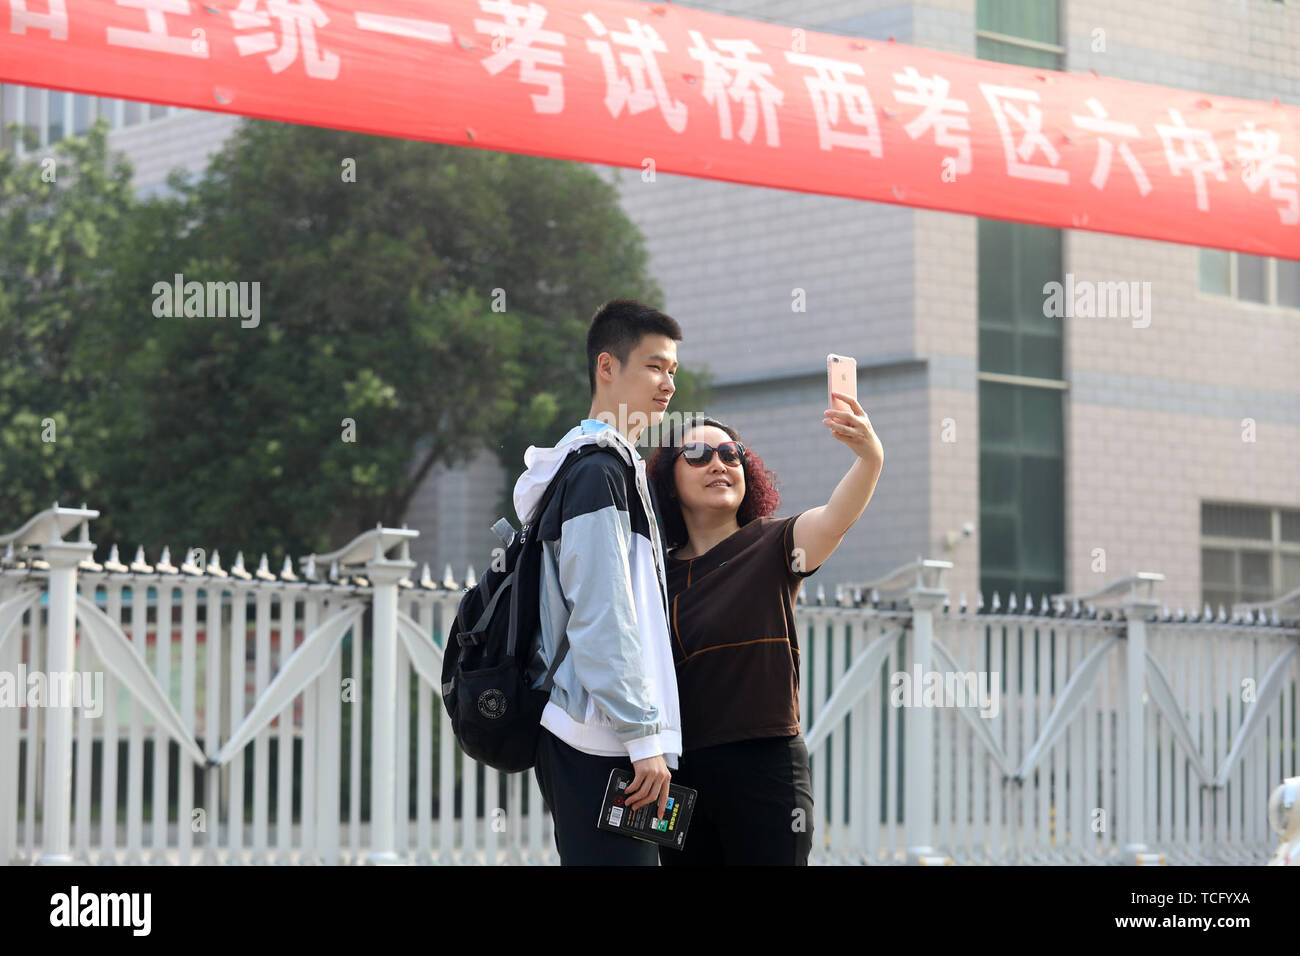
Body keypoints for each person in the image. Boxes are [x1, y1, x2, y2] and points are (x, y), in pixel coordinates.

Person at [646, 392, 883, 865]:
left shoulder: (775, 544)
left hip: (765, 765)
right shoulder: (651, 572)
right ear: (670, 484)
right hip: (676, 774)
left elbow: (836, 519)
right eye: (697, 454)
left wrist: (870, 459)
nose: (719, 463)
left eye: (731, 455)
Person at [512, 298, 683, 865]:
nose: (667, 384)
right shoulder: (596, 474)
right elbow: (601, 615)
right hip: (599, 737)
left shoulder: (605, 468)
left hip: (602, 736)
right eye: (655, 366)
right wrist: (643, 738)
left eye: (673, 372)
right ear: (607, 368)